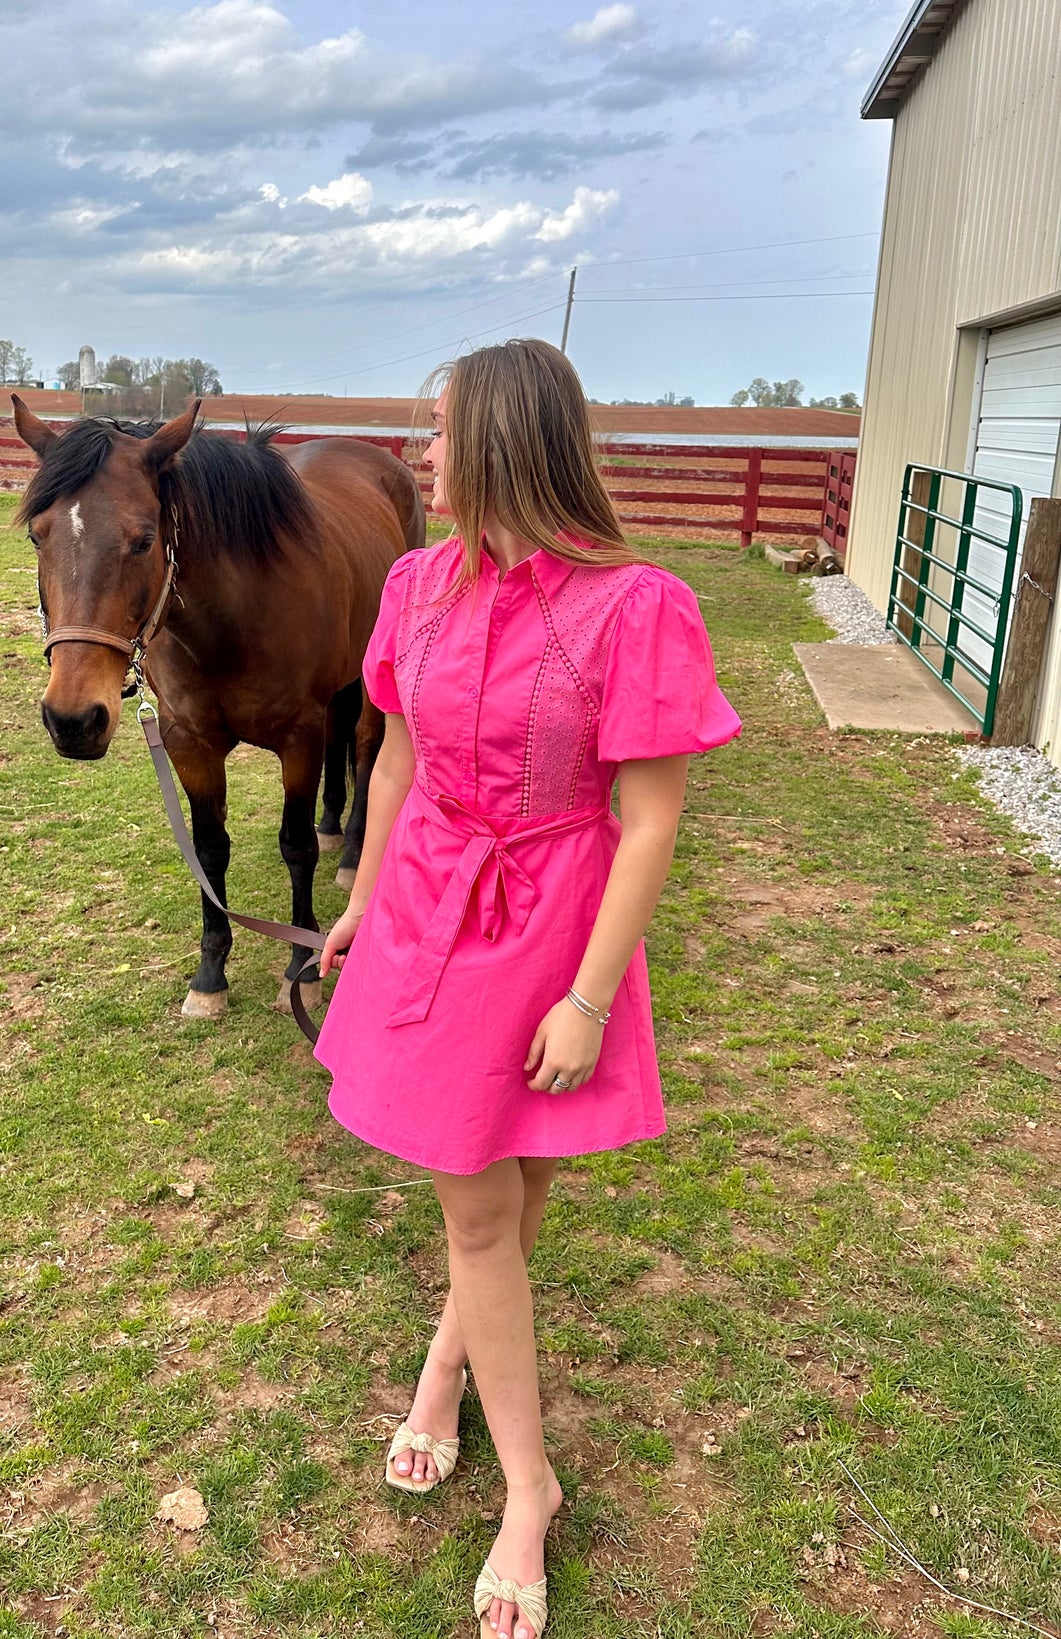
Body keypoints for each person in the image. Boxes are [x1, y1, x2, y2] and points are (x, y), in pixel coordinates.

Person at [314, 339, 741, 1639]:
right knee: (478, 1202)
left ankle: (474, 1421)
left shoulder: (639, 604)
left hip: (556, 919)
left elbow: (650, 818)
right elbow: (390, 762)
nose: (421, 457)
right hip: (432, 902)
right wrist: (361, 896)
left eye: (438, 433)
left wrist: (590, 999)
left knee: (507, 1181)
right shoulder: (411, 586)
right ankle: (512, 1462)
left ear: (500, 441)